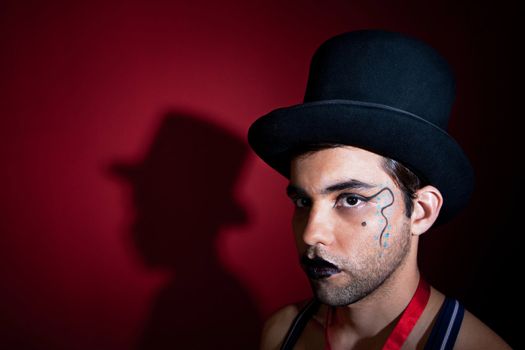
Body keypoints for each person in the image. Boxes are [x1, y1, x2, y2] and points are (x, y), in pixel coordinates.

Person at [247, 30, 511, 349]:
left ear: (422, 212)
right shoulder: (282, 333)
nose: (311, 234)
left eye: (351, 199)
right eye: (303, 200)